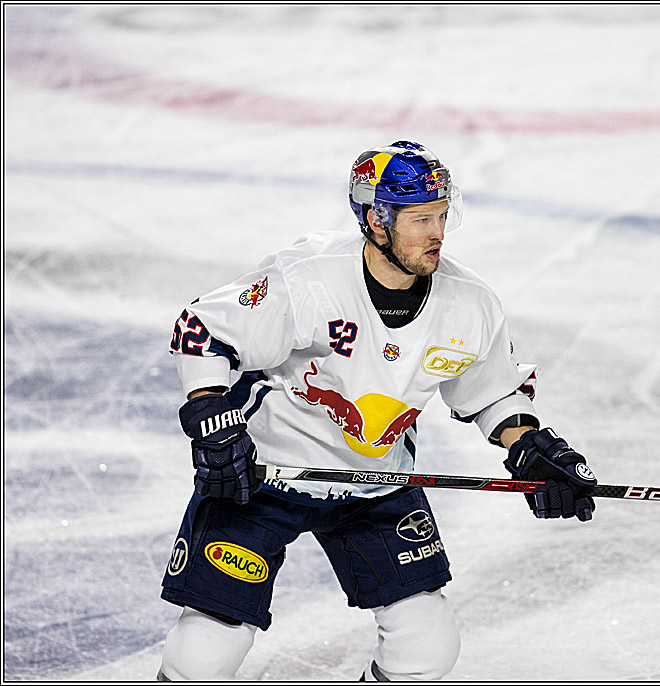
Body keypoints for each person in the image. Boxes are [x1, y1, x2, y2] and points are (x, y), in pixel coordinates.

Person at [157, 140, 599, 681]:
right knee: (206, 650)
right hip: (263, 477)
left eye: (442, 216)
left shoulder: (468, 303)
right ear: (375, 221)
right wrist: (210, 415)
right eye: (420, 219)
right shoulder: (309, 278)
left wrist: (529, 448)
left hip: (376, 481)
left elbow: (490, 393)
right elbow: (203, 330)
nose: (437, 234)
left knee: (426, 645)